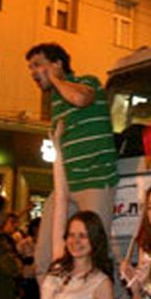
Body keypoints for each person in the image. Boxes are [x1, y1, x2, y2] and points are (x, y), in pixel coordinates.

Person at [26, 43, 118, 231]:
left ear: (57, 64)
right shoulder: (55, 101)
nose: (33, 72)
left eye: (38, 64)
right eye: (30, 67)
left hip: (94, 180)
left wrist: (55, 79)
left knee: (93, 244)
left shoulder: (87, 82)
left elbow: (80, 99)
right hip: (66, 183)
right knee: (46, 252)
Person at [39, 212, 112, 299]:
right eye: (71, 235)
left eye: (83, 236)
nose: (75, 241)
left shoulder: (101, 282)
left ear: (95, 239)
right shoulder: (57, 270)